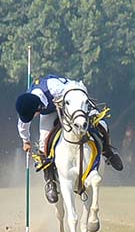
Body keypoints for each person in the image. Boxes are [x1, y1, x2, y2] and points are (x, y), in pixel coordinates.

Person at [15, 74, 123, 204]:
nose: (33, 117)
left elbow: (74, 93)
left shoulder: (54, 87)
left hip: (72, 99)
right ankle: (50, 181)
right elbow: (23, 125)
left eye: (34, 114)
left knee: (100, 124)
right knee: (44, 143)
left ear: (38, 108)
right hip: (50, 111)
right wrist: (25, 141)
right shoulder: (27, 104)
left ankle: (107, 151)